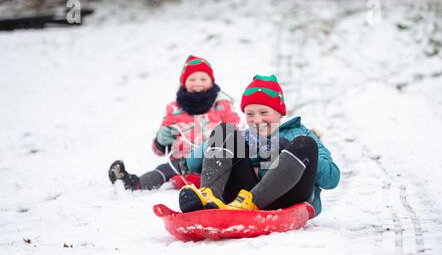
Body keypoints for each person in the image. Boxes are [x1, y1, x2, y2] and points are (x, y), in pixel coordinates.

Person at [178, 74, 340, 217]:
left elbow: (332, 179)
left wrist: (289, 150)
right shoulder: (244, 137)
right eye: (250, 114)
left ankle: (255, 199)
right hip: (242, 201)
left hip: (289, 199)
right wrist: (224, 142)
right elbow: (193, 163)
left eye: (264, 113)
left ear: (280, 112)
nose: (256, 120)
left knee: (305, 144)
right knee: (225, 130)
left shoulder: (298, 134)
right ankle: (209, 198)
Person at [108, 55, 241, 190]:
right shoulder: (176, 109)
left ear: (211, 81)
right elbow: (159, 150)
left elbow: (237, 131)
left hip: (215, 161)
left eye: (203, 78)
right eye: (192, 79)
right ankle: (132, 185)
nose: (198, 83)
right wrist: (161, 140)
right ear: (184, 82)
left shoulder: (222, 106)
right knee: (163, 170)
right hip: (183, 166)